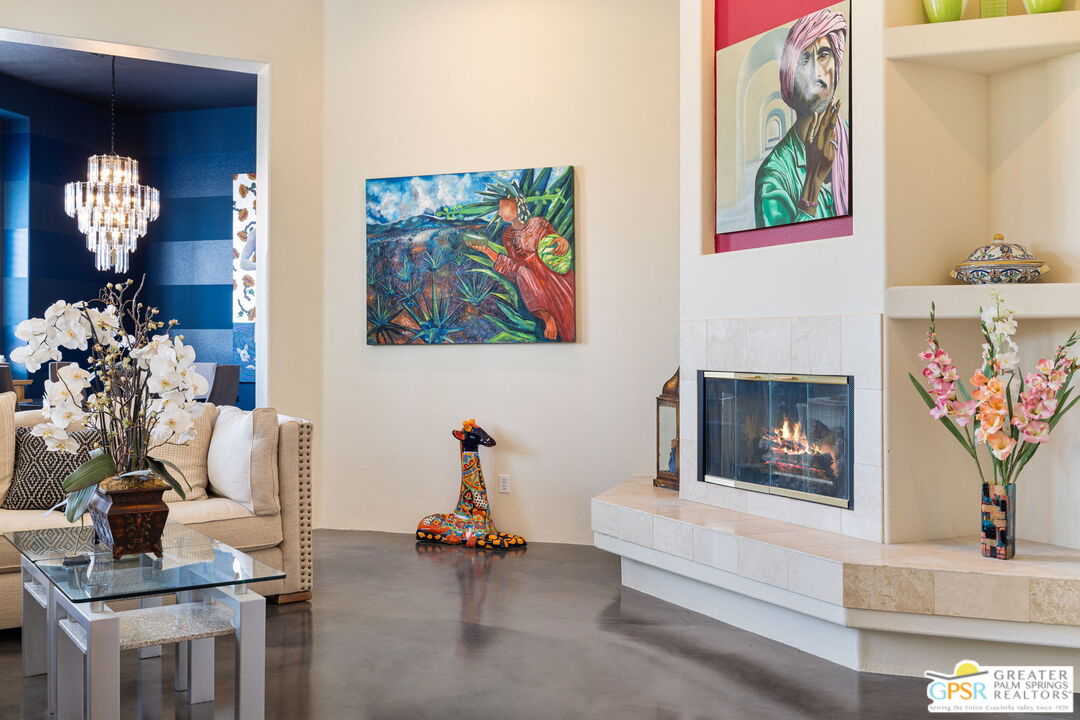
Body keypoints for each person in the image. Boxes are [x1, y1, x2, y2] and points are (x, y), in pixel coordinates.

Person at [754, 9, 850, 228]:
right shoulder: (774, 176)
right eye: (804, 60)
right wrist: (812, 183)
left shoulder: (858, 140)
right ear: (790, 78)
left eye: (824, 55)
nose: (816, 72)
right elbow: (780, 256)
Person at [467, 198, 576, 342]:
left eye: (503, 207)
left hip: (557, 280)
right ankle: (547, 317)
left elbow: (555, 244)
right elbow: (514, 269)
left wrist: (563, 241)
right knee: (522, 272)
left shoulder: (539, 223)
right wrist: (487, 250)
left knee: (571, 319)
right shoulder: (508, 236)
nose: (499, 213)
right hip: (537, 287)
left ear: (516, 206)